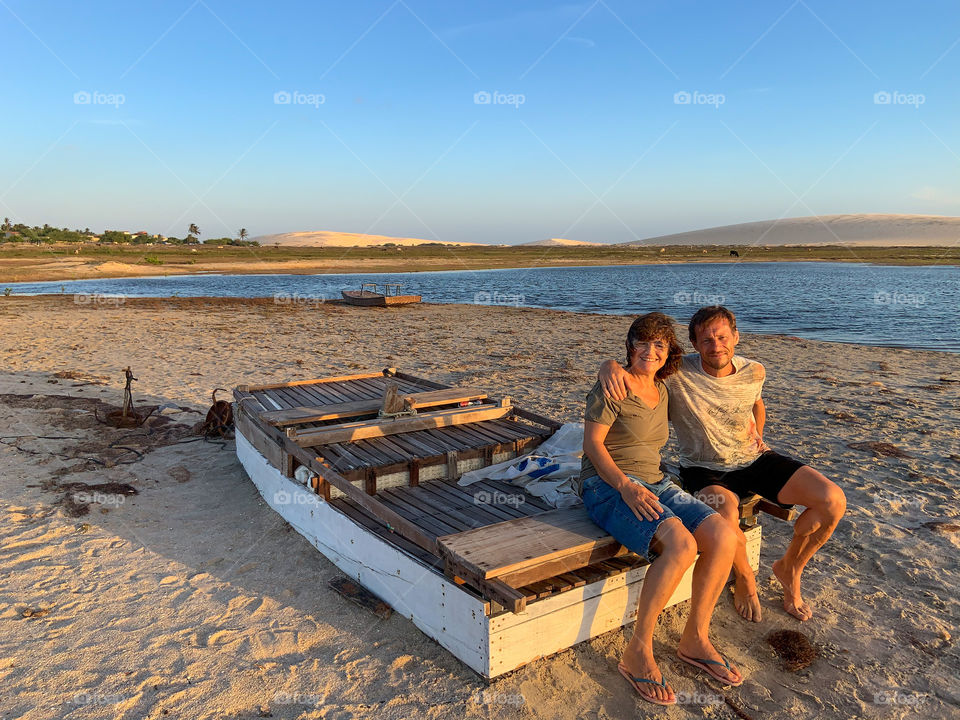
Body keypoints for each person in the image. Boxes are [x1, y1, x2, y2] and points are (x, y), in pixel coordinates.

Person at [598, 306, 846, 623]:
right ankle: (744, 579)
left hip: (755, 460)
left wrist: (760, 433)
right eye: (706, 340)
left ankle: (790, 568)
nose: (715, 345)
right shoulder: (676, 372)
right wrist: (608, 366)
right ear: (694, 344)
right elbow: (640, 364)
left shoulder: (755, 371)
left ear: (736, 337)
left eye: (722, 337)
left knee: (832, 500)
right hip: (704, 469)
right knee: (725, 513)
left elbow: (756, 402)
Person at [580, 312, 742, 706]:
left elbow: (721, 376)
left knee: (722, 533)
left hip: (656, 481)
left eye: (660, 345)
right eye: (642, 343)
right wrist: (625, 487)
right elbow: (592, 446)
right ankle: (637, 649)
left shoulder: (665, 388)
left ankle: (695, 638)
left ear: (668, 351)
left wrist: (753, 423)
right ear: (630, 346)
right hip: (607, 485)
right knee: (682, 545)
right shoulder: (612, 384)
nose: (651, 352)